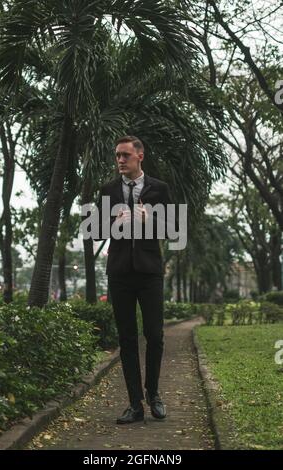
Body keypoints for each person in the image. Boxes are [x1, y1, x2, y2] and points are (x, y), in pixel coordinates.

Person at [94, 135, 178, 424]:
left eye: (125, 155)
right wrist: (113, 223)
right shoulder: (107, 191)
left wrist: (148, 220)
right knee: (127, 339)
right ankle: (135, 404)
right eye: (117, 155)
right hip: (119, 274)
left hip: (150, 273)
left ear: (140, 156)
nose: (120, 160)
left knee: (154, 335)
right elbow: (92, 230)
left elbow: (174, 230)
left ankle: (153, 394)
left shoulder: (159, 188)